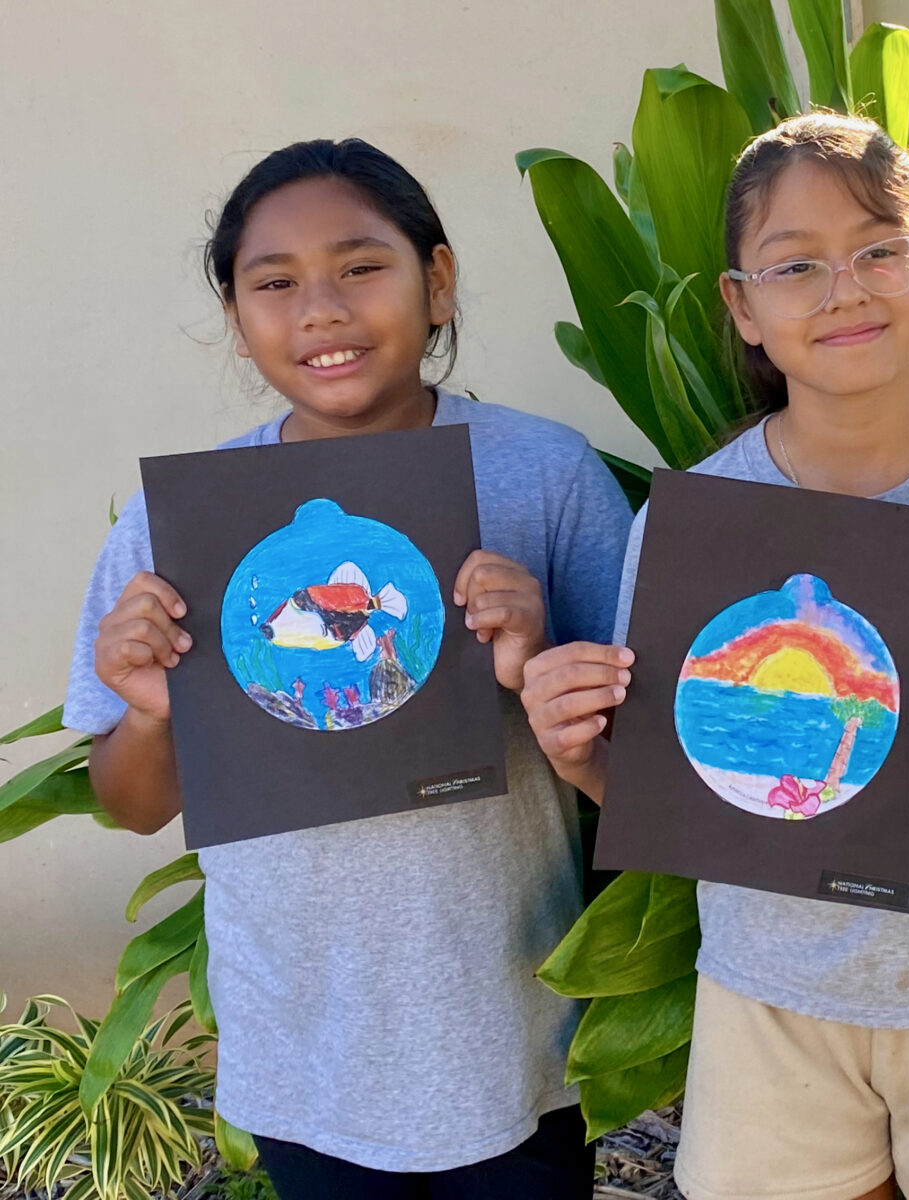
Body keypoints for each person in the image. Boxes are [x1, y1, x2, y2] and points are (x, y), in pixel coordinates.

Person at [519, 112, 909, 1200]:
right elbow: (661, 800)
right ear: (743, 307)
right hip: (772, 996)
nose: (842, 289)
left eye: (877, 250)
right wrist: (575, 752)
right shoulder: (699, 525)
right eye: (795, 265)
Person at [64, 138, 634, 1199]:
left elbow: (644, 773)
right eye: (273, 283)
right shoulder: (175, 531)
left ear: (439, 281)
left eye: (361, 265)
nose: (319, 308)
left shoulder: (545, 476)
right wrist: (150, 715)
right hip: (303, 1046)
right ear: (238, 319)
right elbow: (130, 806)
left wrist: (539, 661)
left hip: (511, 1029)